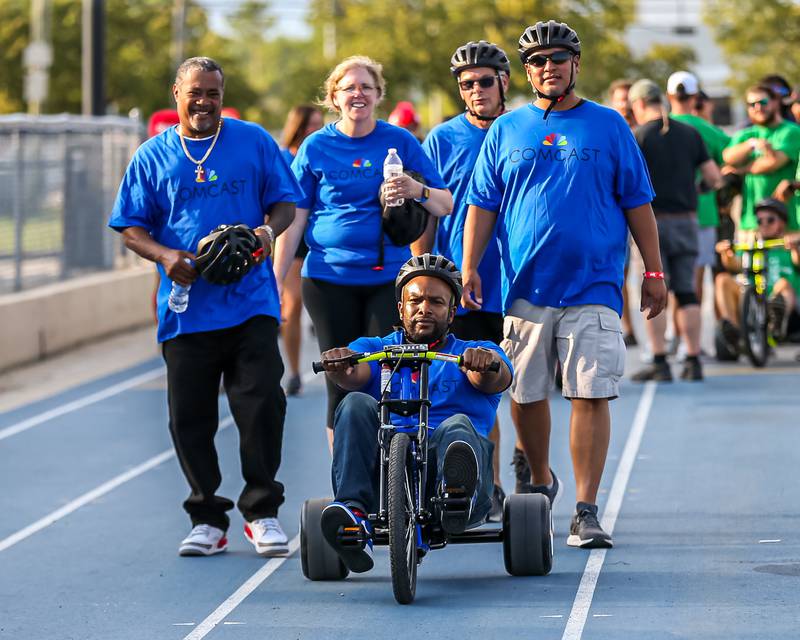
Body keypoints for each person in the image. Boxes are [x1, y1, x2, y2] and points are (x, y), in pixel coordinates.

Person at [462, 20, 667, 549]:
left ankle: (585, 507)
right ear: (524, 72)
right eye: (536, 61)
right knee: (525, 395)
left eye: (557, 59)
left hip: (594, 284)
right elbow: (482, 205)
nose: (547, 68)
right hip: (524, 287)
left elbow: (638, 202)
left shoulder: (609, 125)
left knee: (589, 393)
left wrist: (653, 271)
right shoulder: (506, 129)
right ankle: (539, 480)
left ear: (576, 64)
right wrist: (469, 268)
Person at [108, 57, 303, 558]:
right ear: (177, 92)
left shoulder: (254, 141)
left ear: (222, 94)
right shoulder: (152, 156)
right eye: (195, 92)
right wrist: (166, 255)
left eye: (212, 93)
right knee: (187, 417)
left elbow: (285, 204)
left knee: (263, 402)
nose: (204, 102)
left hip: (251, 301)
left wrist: (265, 232)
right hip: (187, 309)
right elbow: (130, 227)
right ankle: (207, 518)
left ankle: (262, 511)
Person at [273, 56, 452, 450]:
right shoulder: (316, 147)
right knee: (341, 384)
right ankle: (349, 485)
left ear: (378, 95)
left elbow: (445, 204)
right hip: (327, 280)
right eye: (349, 87)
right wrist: (274, 281)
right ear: (334, 97)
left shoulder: (400, 142)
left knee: (389, 381)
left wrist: (413, 188)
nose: (358, 93)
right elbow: (295, 219)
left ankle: (392, 477)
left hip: (387, 280)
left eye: (366, 87)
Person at [316, 254, 513, 573]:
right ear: (400, 308)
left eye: (436, 302)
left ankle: (455, 494)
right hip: (385, 469)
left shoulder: (471, 351)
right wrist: (341, 365)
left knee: (457, 425)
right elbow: (353, 376)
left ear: (451, 312)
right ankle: (353, 513)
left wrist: (482, 365)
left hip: (447, 468)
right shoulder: (375, 347)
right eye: (416, 300)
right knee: (353, 403)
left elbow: (496, 377)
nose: (424, 308)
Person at [422, 40, 513, 521]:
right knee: (478, 387)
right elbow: (426, 216)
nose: (475, 90)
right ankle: (490, 483)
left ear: (504, 83)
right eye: (466, 84)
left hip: (520, 280)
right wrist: (422, 275)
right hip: (467, 286)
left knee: (525, 389)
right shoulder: (441, 138)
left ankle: (532, 467)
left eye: (484, 81)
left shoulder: (522, 129)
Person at [628, 78, 722, 382]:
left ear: (639, 105)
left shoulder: (638, 136)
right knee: (687, 291)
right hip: (686, 219)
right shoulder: (690, 133)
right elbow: (714, 178)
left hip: (650, 224)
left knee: (653, 291)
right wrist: (696, 188)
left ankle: (659, 360)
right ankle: (693, 359)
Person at [667, 72, 731, 343]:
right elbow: (729, 161)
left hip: (660, 215)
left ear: (669, 96)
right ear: (695, 97)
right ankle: (690, 344)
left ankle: (673, 335)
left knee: (666, 280)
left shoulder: (654, 127)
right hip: (701, 214)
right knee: (693, 281)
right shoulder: (706, 130)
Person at [278, 105, 325, 397]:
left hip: (322, 239)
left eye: (319, 124)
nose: (315, 131)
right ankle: (294, 371)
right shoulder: (284, 158)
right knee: (292, 306)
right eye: (310, 125)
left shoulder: (326, 151)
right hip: (295, 238)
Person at [715, 198, 800, 350]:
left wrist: (794, 249)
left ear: (782, 222)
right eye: (760, 221)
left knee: (783, 284)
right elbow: (735, 266)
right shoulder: (752, 246)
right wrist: (726, 254)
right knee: (723, 279)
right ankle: (734, 332)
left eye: (770, 220)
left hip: (787, 305)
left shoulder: (788, 245)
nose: (764, 224)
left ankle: (776, 326)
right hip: (753, 299)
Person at [723, 84, 800, 233]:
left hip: (785, 224)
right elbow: (728, 157)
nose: (758, 107)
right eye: (752, 104)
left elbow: (773, 162)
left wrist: (741, 169)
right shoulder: (745, 135)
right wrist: (751, 144)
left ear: (775, 102)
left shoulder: (791, 131)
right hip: (751, 224)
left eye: (762, 102)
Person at [607, 78, 638, 346]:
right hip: (614, 221)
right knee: (621, 277)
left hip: (639, 214)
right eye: (621, 98)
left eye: (630, 98)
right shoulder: (607, 127)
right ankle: (625, 327)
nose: (626, 104)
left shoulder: (644, 130)